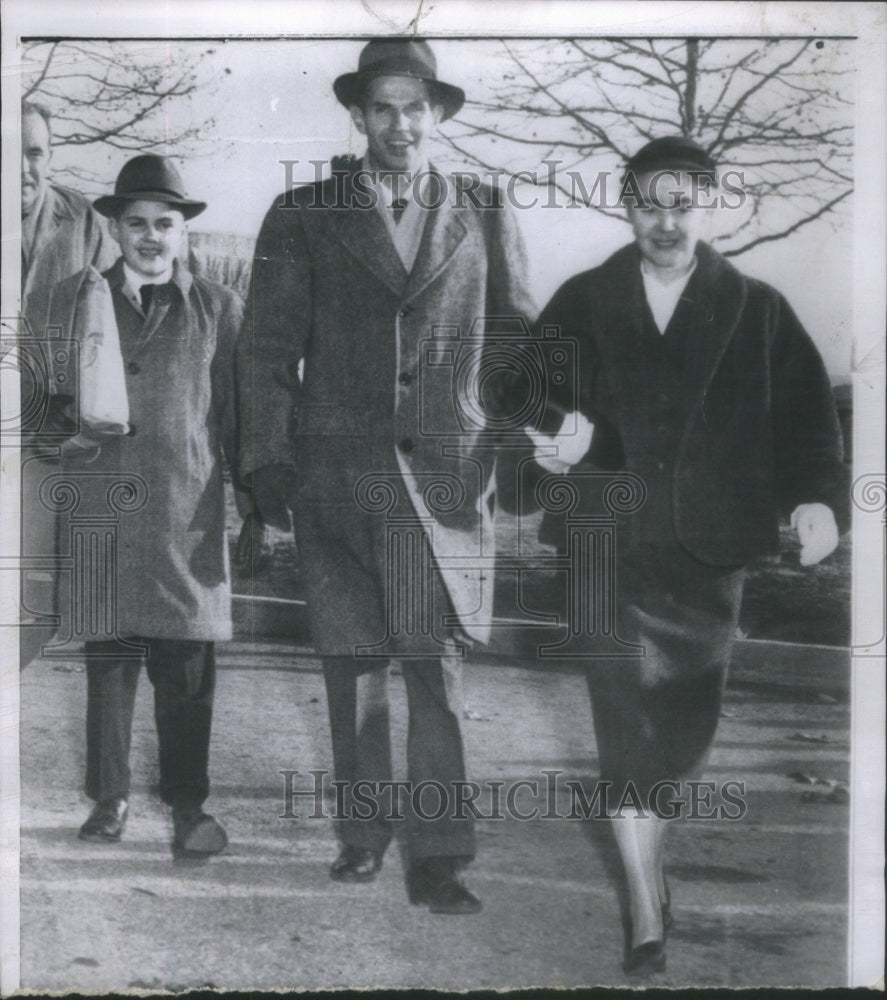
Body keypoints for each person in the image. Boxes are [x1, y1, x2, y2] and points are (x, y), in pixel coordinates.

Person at [524, 136, 849, 974]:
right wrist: (557, 434)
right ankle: (641, 901)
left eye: (682, 205)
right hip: (606, 538)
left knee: (680, 727)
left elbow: (808, 422)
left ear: (709, 208)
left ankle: (646, 863)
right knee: (623, 716)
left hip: (706, 551)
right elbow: (528, 389)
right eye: (647, 203)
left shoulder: (757, 308)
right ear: (624, 205)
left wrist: (815, 500)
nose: (665, 222)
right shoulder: (583, 299)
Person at [237, 38, 534, 913]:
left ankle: (439, 856)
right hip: (336, 476)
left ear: (436, 114)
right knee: (352, 662)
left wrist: (513, 450)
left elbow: (517, 341)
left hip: (445, 477)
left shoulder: (484, 209)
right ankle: (362, 837)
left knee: (432, 670)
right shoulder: (302, 213)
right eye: (382, 108)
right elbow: (263, 352)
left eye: (415, 107)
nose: (399, 124)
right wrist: (267, 464)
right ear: (357, 116)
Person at [46, 154, 244, 856]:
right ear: (115, 228)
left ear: (182, 231)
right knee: (111, 664)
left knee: (187, 673)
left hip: (186, 515)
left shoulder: (219, 308)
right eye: (137, 224)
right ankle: (111, 800)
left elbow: (238, 416)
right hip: (104, 510)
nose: (151, 237)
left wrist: (251, 505)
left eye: (165, 224)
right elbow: (42, 400)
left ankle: (188, 808)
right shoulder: (76, 299)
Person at [19, 101, 115, 668]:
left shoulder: (83, 223)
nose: (24, 168)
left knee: (35, 612)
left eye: (35, 152)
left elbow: (118, 322)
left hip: (45, 453)